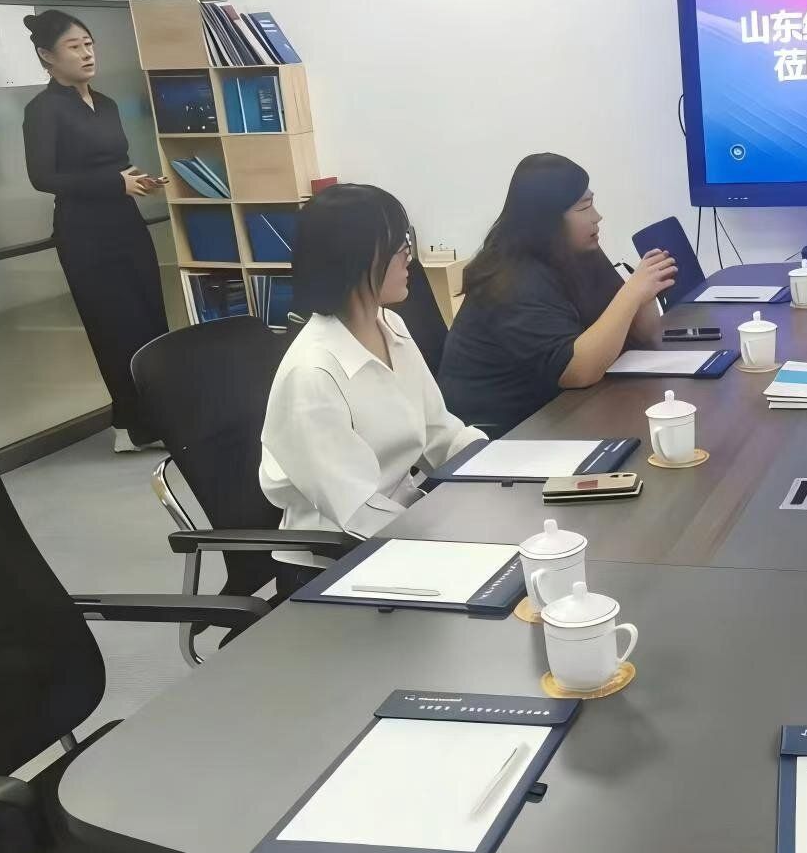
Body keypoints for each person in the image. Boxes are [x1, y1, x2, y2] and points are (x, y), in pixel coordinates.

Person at [259, 184, 484, 589]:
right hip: (335, 563)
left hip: (402, 530)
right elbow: (356, 511)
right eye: (401, 247)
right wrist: (448, 540)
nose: (410, 258)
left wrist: (500, 468)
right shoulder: (313, 373)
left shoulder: (390, 325)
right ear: (359, 259)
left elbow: (440, 434)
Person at [439, 154, 677, 435]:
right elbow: (577, 371)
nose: (597, 216)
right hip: (505, 433)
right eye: (584, 207)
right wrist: (632, 293)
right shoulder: (510, 281)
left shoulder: (577, 248)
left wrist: (645, 292)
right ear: (548, 219)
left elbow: (644, 334)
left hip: (558, 412)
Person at [21, 10, 170, 452]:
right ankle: (134, 428)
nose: (86, 53)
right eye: (74, 47)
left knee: (149, 317)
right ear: (47, 56)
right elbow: (43, 177)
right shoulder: (43, 110)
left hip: (125, 221)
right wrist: (112, 183)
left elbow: (112, 164)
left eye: (89, 44)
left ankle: (150, 418)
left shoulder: (105, 103)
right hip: (84, 233)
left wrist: (137, 180)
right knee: (114, 326)